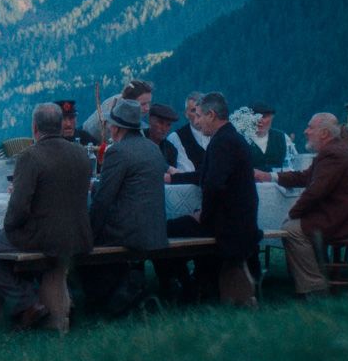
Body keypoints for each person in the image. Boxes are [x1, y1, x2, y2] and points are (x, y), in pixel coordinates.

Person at [0, 103, 92, 329]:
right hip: (79, 235)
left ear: (35, 127)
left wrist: (9, 228)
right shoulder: (81, 153)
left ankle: (27, 303)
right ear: (60, 125)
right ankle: (43, 299)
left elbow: (18, 208)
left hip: (44, 238)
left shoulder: (30, 156)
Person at [165, 92, 260, 307]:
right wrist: (175, 178)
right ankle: (197, 283)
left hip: (227, 223)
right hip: (240, 219)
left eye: (198, 116)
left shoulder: (221, 142)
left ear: (211, 115)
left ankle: (185, 286)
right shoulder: (231, 138)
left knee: (165, 230)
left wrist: (203, 216)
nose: (196, 122)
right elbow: (207, 175)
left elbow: (213, 184)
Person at [255, 113, 348, 298]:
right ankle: (314, 280)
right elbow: (305, 177)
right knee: (294, 227)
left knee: (291, 229)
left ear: (324, 133)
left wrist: (293, 213)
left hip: (340, 219)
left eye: (310, 127)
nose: (305, 131)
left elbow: (315, 191)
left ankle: (314, 287)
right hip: (340, 215)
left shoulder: (332, 154)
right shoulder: (333, 151)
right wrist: (269, 176)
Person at [83, 100, 168, 315]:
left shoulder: (118, 152)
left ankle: (105, 299)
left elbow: (103, 200)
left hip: (130, 232)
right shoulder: (153, 148)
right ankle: (126, 287)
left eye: (111, 125)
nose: (110, 129)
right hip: (156, 230)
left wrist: (89, 233)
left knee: (79, 244)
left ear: (118, 128)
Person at [81, 80, 153, 144]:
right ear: (129, 102)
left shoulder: (125, 102)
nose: (147, 108)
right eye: (143, 104)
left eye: (148, 103)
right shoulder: (116, 113)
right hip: (88, 139)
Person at [168, 92, 208, 172]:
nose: (198, 114)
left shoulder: (217, 135)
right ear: (186, 114)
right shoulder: (176, 138)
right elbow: (185, 170)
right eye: (193, 110)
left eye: (202, 110)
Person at [247, 102, 288, 172]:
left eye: (264, 117)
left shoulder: (282, 137)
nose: (259, 121)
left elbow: (290, 163)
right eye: (256, 117)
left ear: (272, 117)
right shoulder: (240, 138)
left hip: (277, 181)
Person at [146, 103, 187, 168]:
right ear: (150, 119)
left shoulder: (171, 151)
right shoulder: (136, 140)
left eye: (168, 125)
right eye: (160, 122)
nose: (164, 129)